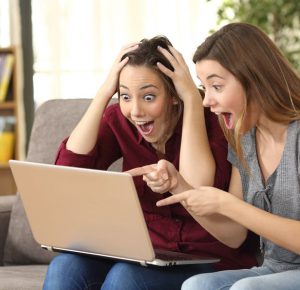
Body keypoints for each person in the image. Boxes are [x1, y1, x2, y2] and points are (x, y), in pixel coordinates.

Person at [42, 35, 257, 290]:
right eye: (125, 97)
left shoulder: (218, 122)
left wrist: (191, 99)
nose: (135, 111)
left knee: (126, 277)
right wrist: (104, 92)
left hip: (211, 259)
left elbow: (195, 187)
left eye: (148, 97)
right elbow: (67, 173)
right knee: (65, 266)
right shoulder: (120, 120)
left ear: (174, 95)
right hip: (148, 255)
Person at [130, 23, 300, 290]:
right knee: (195, 286)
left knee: (246, 289)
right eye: (204, 88)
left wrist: (228, 205)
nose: (207, 101)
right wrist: (179, 185)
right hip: (274, 270)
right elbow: (233, 236)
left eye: (216, 87)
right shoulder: (245, 140)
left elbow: (232, 210)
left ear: (253, 79)